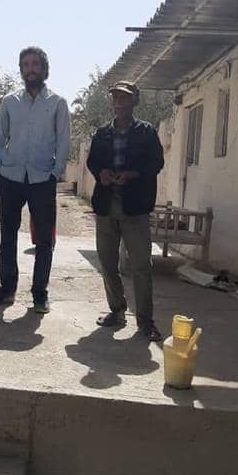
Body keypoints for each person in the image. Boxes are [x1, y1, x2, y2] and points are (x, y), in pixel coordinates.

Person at [0, 46, 71, 313]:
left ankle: (39, 293)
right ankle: (7, 289)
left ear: (44, 69)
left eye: (35, 64)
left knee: (44, 239)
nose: (30, 69)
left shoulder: (57, 102)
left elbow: (64, 140)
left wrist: (55, 173)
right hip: (11, 176)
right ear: (21, 70)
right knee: (8, 235)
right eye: (26, 65)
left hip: (41, 178)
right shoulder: (10, 101)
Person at [87, 81, 165, 342]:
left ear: (135, 102)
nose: (119, 102)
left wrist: (134, 174)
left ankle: (146, 321)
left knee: (141, 265)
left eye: (125, 98)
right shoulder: (102, 134)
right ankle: (117, 311)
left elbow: (156, 162)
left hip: (136, 208)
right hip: (106, 206)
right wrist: (103, 173)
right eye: (116, 97)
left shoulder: (146, 133)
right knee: (108, 263)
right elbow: (93, 161)